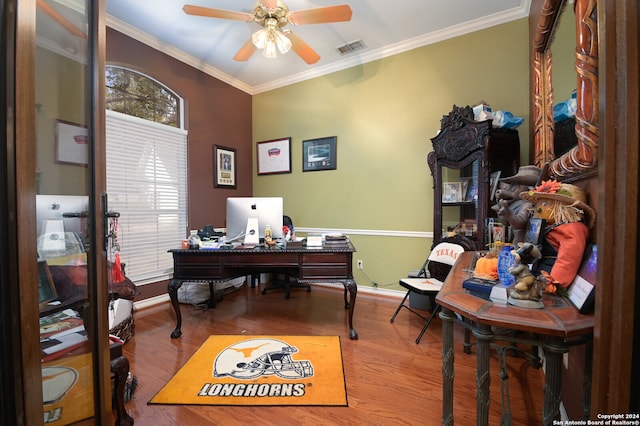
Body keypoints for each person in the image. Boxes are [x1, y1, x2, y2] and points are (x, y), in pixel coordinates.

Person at [520, 179, 596, 288]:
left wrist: (554, 283)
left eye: (545, 204)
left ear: (563, 208)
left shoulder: (572, 229)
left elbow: (567, 260)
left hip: (548, 279)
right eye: (539, 204)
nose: (539, 209)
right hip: (537, 274)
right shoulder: (547, 226)